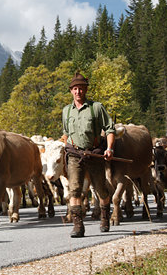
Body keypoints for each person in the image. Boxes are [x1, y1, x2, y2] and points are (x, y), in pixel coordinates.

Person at [61, 72, 115, 238]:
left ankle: (105, 216)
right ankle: (78, 225)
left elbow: (110, 129)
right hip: (74, 154)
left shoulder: (96, 107)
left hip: (94, 153)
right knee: (74, 190)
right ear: (71, 91)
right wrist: (66, 145)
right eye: (75, 89)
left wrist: (109, 149)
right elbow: (65, 132)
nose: (78, 92)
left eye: (81, 88)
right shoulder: (66, 111)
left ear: (86, 90)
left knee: (100, 189)